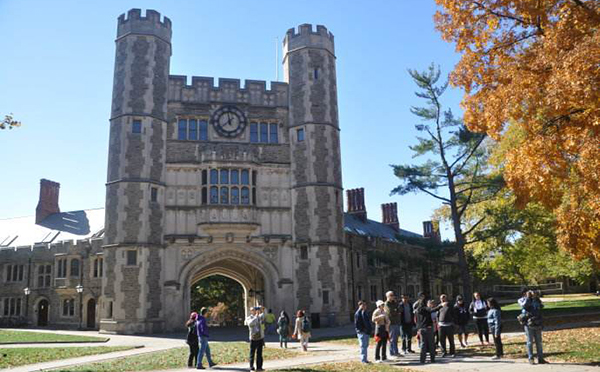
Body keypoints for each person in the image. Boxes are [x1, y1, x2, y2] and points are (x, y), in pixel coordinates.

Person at [415, 293, 442, 364]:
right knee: (431, 344)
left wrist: (418, 329)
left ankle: (422, 360)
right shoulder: (424, 309)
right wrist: (440, 306)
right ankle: (432, 359)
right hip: (428, 328)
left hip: (421, 329)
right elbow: (432, 310)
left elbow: (416, 320)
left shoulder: (417, 310)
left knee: (423, 344)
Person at [522, 290, 548, 365]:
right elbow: (524, 306)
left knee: (539, 342)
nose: (533, 295)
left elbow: (541, 307)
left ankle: (540, 358)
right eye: (532, 294)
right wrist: (528, 297)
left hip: (537, 322)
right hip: (528, 323)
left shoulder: (537, 301)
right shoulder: (524, 300)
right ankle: (531, 358)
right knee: (530, 342)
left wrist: (537, 298)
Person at [245, 306, 265, 371]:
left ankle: (259, 367)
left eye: (256, 310)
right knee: (252, 353)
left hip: (260, 338)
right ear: (251, 311)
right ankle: (251, 366)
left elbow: (265, 315)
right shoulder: (249, 318)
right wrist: (256, 317)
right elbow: (250, 324)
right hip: (253, 338)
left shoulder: (260, 317)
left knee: (259, 354)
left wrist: (262, 309)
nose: (255, 311)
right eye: (253, 310)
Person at [384, 291, 402, 358]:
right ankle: (392, 352)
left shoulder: (395, 303)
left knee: (396, 338)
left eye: (393, 295)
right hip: (391, 323)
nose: (392, 296)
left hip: (396, 322)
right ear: (388, 296)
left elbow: (400, 310)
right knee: (392, 339)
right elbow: (390, 312)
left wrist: (396, 310)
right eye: (391, 295)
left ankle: (396, 351)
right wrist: (396, 311)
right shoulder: (386, 304)